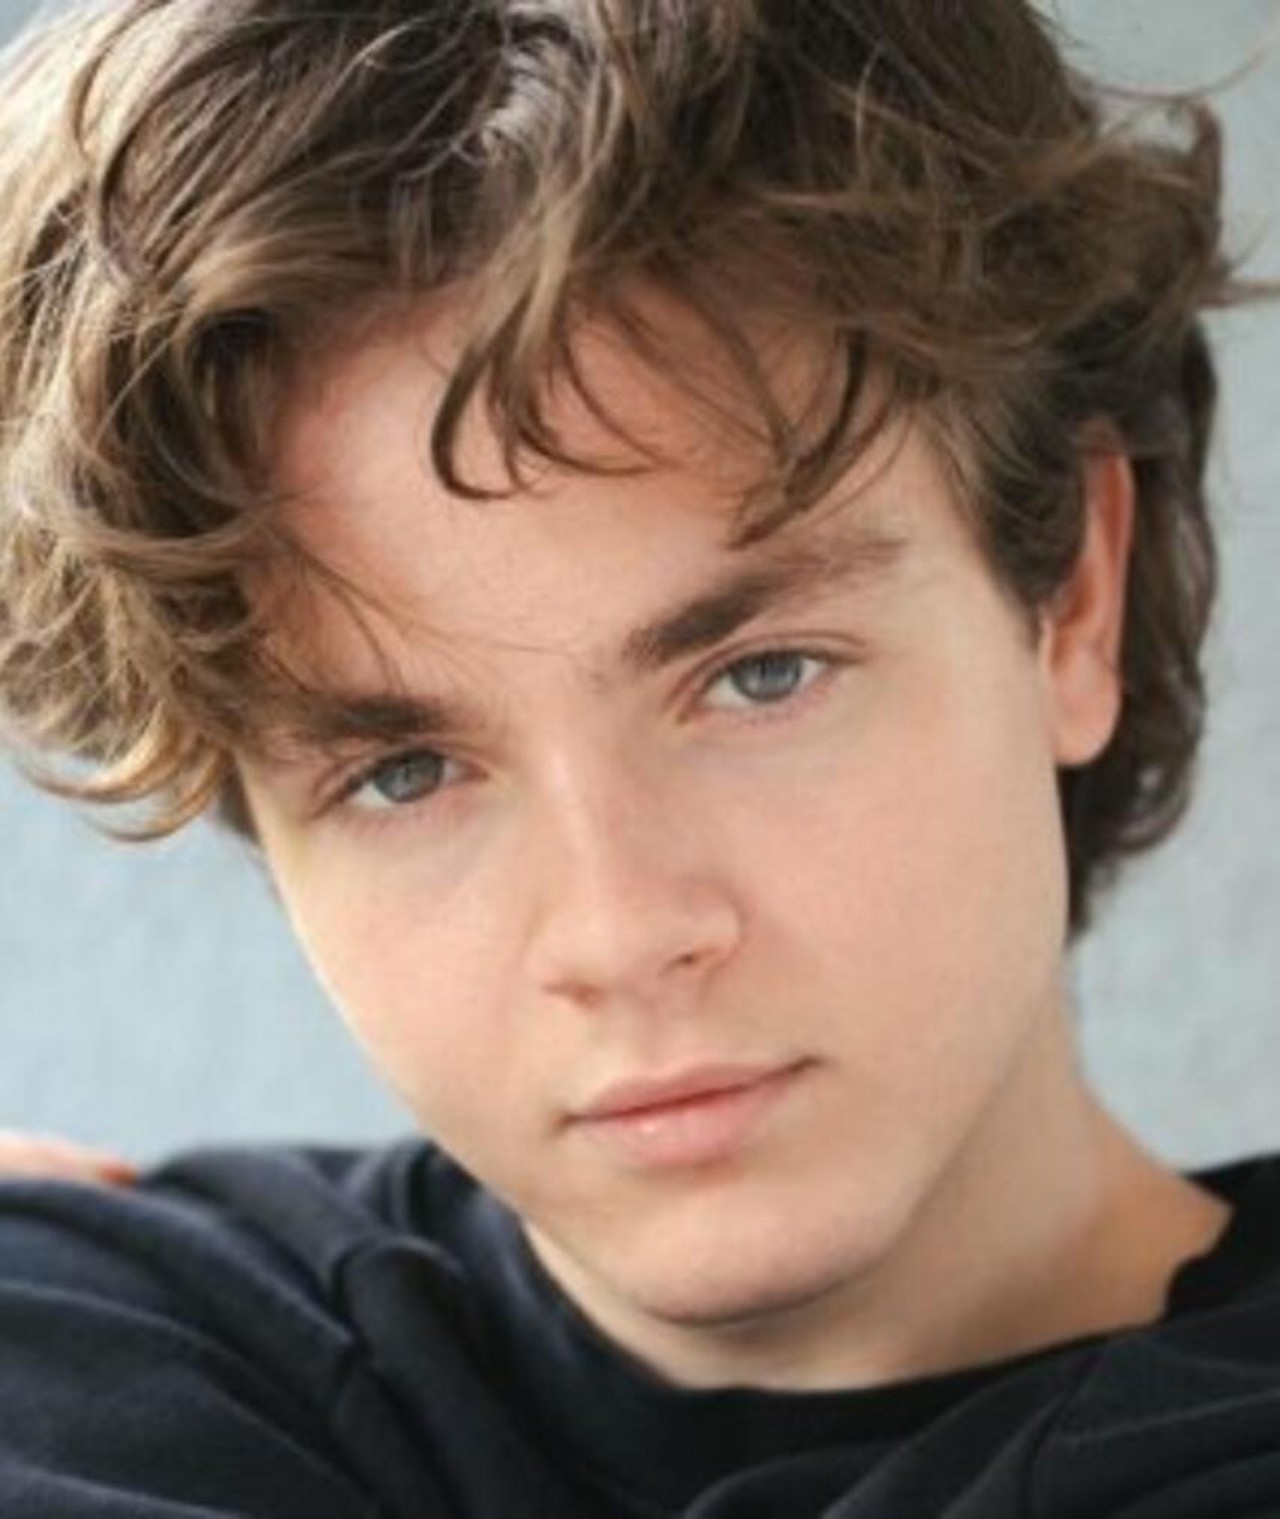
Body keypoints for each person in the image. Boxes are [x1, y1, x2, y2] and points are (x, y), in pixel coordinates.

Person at [0, 0, 1276, 1513]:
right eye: (404, 773)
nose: (619, 933)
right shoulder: (108, 1346)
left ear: (1072, 599)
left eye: (759, 678)